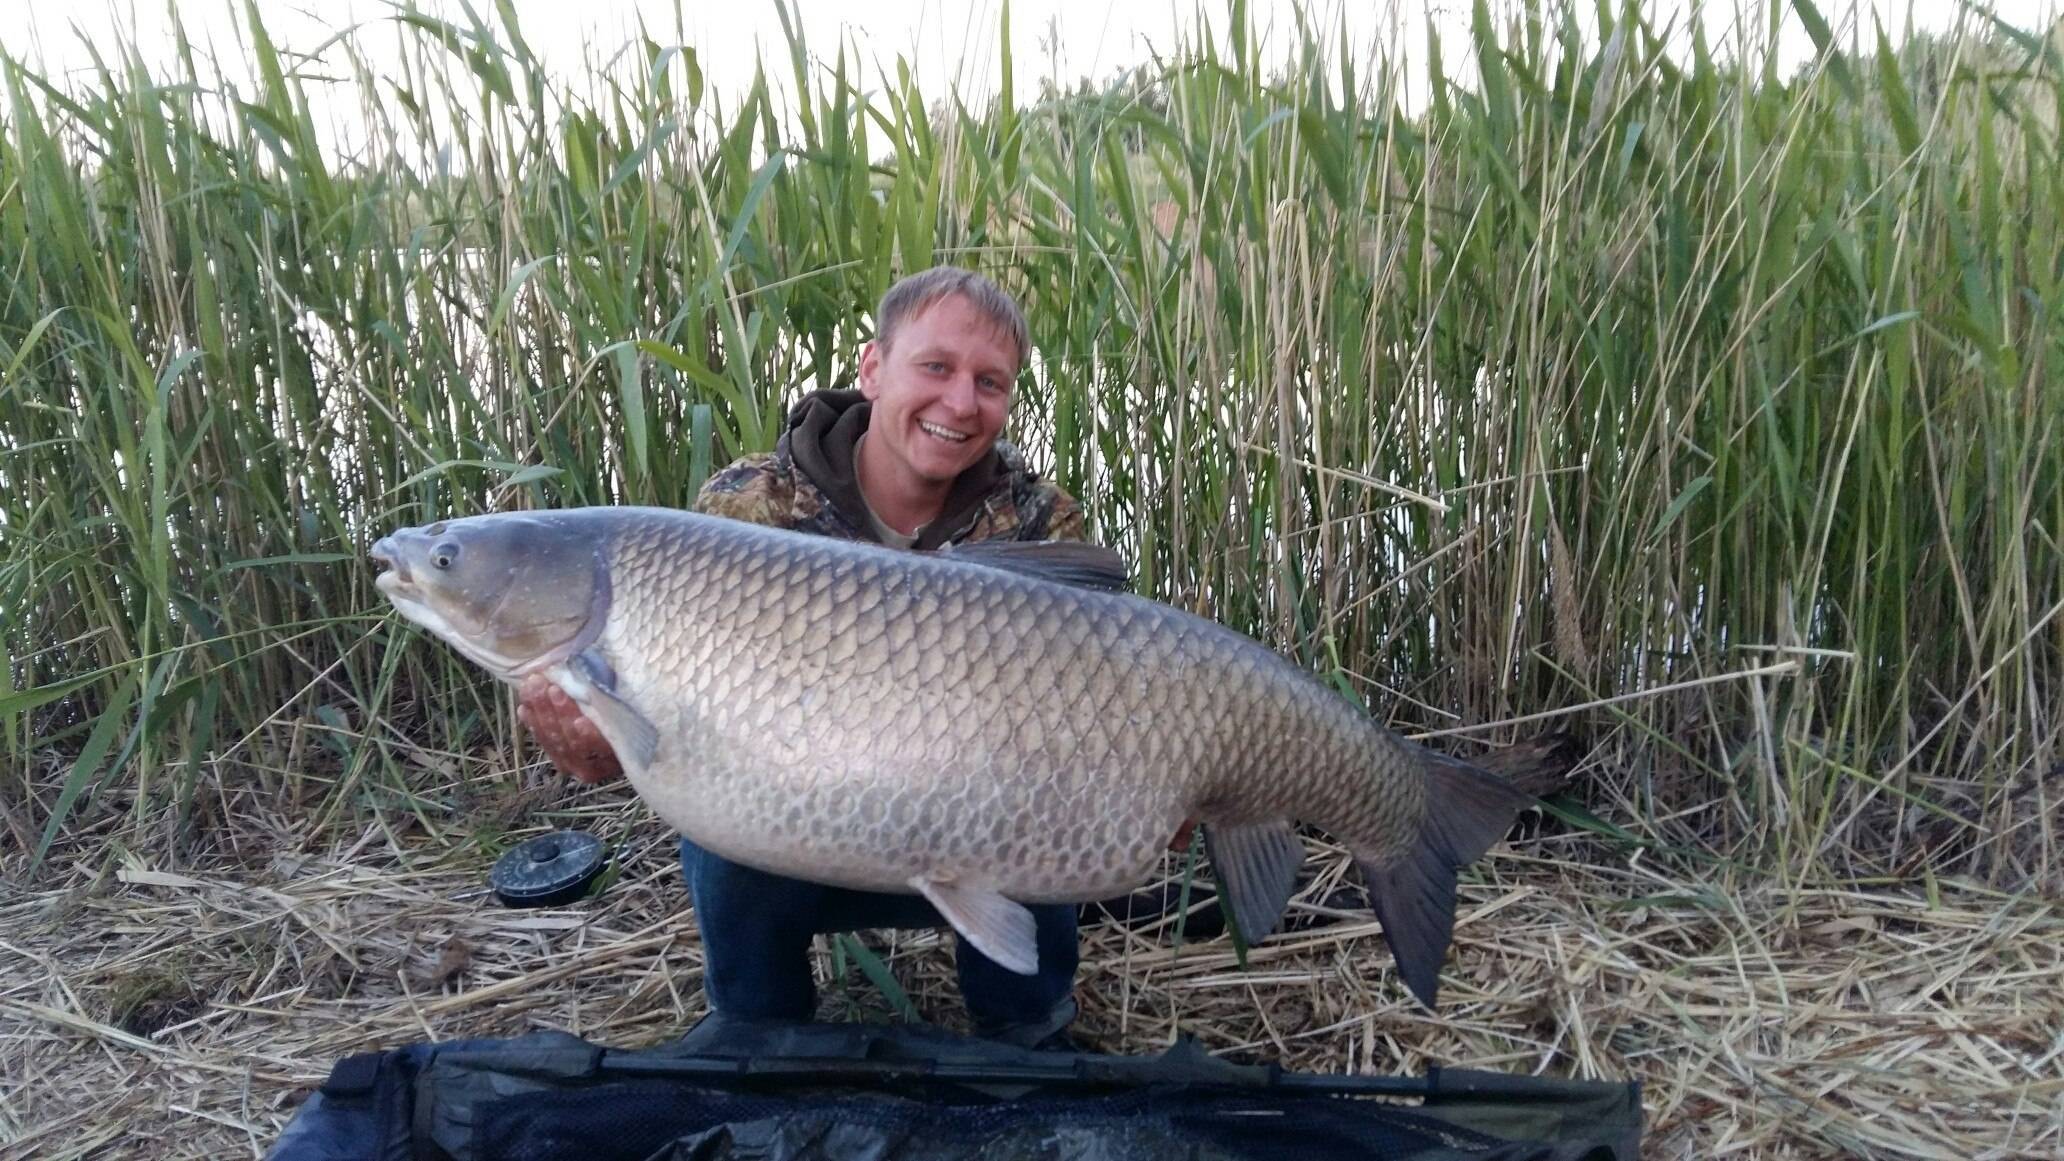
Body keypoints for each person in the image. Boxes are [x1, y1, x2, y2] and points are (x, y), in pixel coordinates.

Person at [516, 266, 1097, 1049]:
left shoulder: (1038, 521)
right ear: (872, 367)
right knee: (721, 810)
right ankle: (760, 1028)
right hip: (790, 831)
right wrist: (586, 737)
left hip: (980, 831)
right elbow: (622, 755)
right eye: (936, 367)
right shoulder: (748, 507)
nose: (961, 402)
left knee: (1049, 804)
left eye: (989, 382)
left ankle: (1025, 1027)